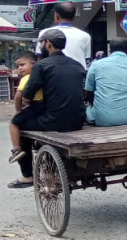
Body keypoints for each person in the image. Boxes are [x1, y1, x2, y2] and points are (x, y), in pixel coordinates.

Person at [8, 30, 86, 189]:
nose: (40, 46)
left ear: (48, 43)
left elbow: (27, 96)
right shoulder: (77, 65)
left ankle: (27, 175)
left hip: (53, 121)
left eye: (41, 43)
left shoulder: (42, 65)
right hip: (78, 120)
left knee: (19, 126)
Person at [85, 38, 127, 127]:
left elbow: (89, 92)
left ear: (109, 50)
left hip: (103, 119)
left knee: (87, 109)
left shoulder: (96, 65)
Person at [8, 52, 43, 164]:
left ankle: (16, 149)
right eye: (17, 66)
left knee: (13, 123)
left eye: (22, 65)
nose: (19, 68)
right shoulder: (42, 75)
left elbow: (18, 96)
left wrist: (18, 111)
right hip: (45, 106)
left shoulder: (27, 78)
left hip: (35, 106)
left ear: (33, 64)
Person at [36, 2, 91, 69]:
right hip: (77, 75)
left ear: (56, 16)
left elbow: (40, 58)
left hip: (51, 74)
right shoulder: (85, 36)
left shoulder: (45, 33)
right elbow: (87, 60)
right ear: (74, 16)